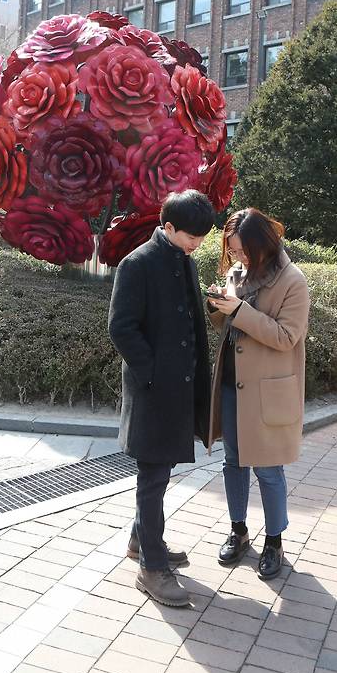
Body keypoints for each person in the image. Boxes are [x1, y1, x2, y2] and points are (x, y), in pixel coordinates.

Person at [108, 189, 215, 607]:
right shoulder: (137, 264)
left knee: (162, 471)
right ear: (167, 227)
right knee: (152, 479)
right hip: (154, 392)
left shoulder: (181, 259)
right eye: (192, 237)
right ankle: (151, 567)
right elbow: (122, 328)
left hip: (179, 388)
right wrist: (152, 374)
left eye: (202, 238)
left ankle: (141, 540)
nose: (197, 245)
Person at [206, 208, 310, 581]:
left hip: (268, 391)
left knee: (268, 468)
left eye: (243, 251)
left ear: (262, 244)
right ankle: (238, 530)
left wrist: (241, 311)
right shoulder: (238, 273)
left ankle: (274, 541)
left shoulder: (292, 281)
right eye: (233, 252)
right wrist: (219, 306)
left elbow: (286, 337)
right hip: (234, 384)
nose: (238, 259)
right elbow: (228, 322)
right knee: (233, 462)